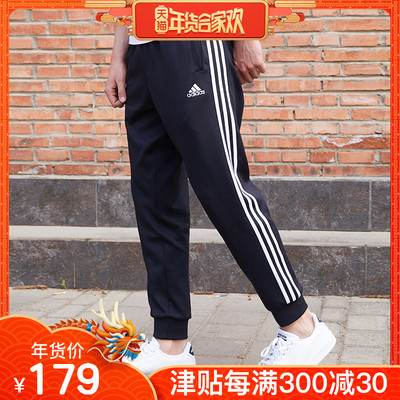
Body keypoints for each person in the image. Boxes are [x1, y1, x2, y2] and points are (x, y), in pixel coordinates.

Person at [105, 27, 336, 375]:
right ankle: (170, 344)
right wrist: (120, 55)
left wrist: (246, 34)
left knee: (224, 187)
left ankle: (301, 325)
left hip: (195, 38)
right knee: (155, 198)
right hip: (142, 51)